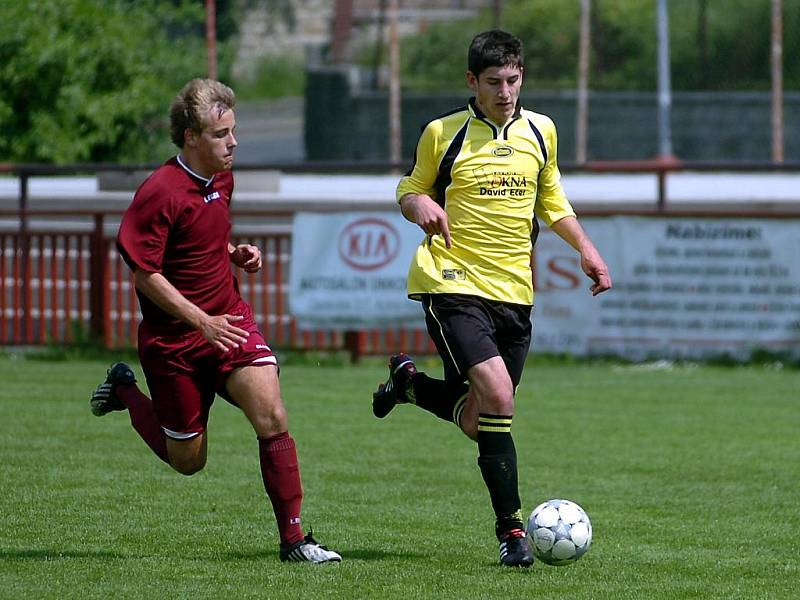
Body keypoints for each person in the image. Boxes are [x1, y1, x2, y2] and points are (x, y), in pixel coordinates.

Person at [372, 30, 611, 567]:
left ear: (521, 76)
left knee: (480, 419)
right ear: (472, 82)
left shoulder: (541, 131)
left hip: (514, 293)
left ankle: (410, 385)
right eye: (494, 82)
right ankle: (512, 533)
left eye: (513, 79)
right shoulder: (444, 133)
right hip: (451, 282)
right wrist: (421, 209)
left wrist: (586, 248)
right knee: (500, 398)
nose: (505, 91)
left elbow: (553, 201)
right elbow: (409, 189)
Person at [90, 78, 340, 564]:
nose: (233, 142)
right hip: (174, 342)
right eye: (221, 134)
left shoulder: (222, 178)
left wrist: (233, 252)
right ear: (190, 138)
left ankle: (294, 542)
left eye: (233, 130)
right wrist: (200, 321)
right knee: (188, 461)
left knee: (271, 414)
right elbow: (145, 274)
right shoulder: (158, 192)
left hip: (229, 322)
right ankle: (124, 388)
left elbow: (201, 236)